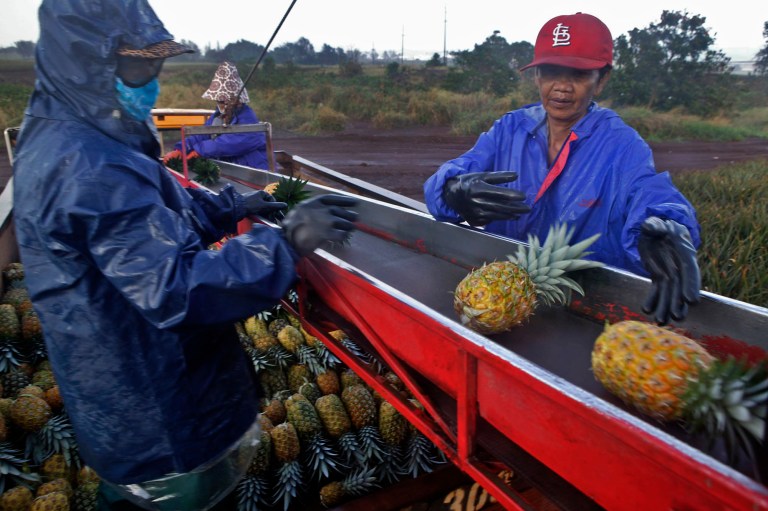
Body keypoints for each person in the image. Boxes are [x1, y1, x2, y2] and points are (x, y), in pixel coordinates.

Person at [11, 0, 358, 509]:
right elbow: (173, 288)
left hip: (131, 405)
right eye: (137, 66)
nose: (150, 79)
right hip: (162, 420)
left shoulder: (74, 135)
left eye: (156, 66)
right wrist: (282, 243)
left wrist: (230, 207)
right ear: (85, 65)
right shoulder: (87, 165)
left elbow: (145, 229)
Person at [424, 12, 701, 325]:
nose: (562, 87)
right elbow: (452, 174)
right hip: (499, 301)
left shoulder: (621, 144)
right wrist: (450, 189)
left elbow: (650, 192)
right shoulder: (509, 129)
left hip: (584, 308)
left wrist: (668, 223)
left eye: (579, 75)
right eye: (552, 71)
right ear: (537, 76)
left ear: (602, 78)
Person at [163, 61, 270, 169]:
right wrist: (181, 149)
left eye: (225, 101)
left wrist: (200, 150)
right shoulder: (217, 117)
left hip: (253, 170)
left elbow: (232, 142)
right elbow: (202, 134)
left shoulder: (247, 116)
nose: (222, 105)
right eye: (219, 101)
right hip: (231, 169)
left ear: (238, 100)